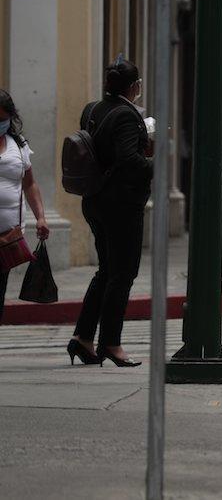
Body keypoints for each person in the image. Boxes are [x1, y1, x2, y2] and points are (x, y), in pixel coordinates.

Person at [70, 56, 153, 367]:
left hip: (94, 200)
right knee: (123, 273)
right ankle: (111, 343)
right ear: (134, 87)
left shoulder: (92, 109)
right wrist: (155, 164)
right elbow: (129, 159)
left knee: (106, 270)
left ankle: (83, 338)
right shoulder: (128, 116)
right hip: (121, 205)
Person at [0, 91, 50, 325]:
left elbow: (29, 184)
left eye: (2, 120)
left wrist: (41, 217)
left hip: (8, 237)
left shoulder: (18, 146)